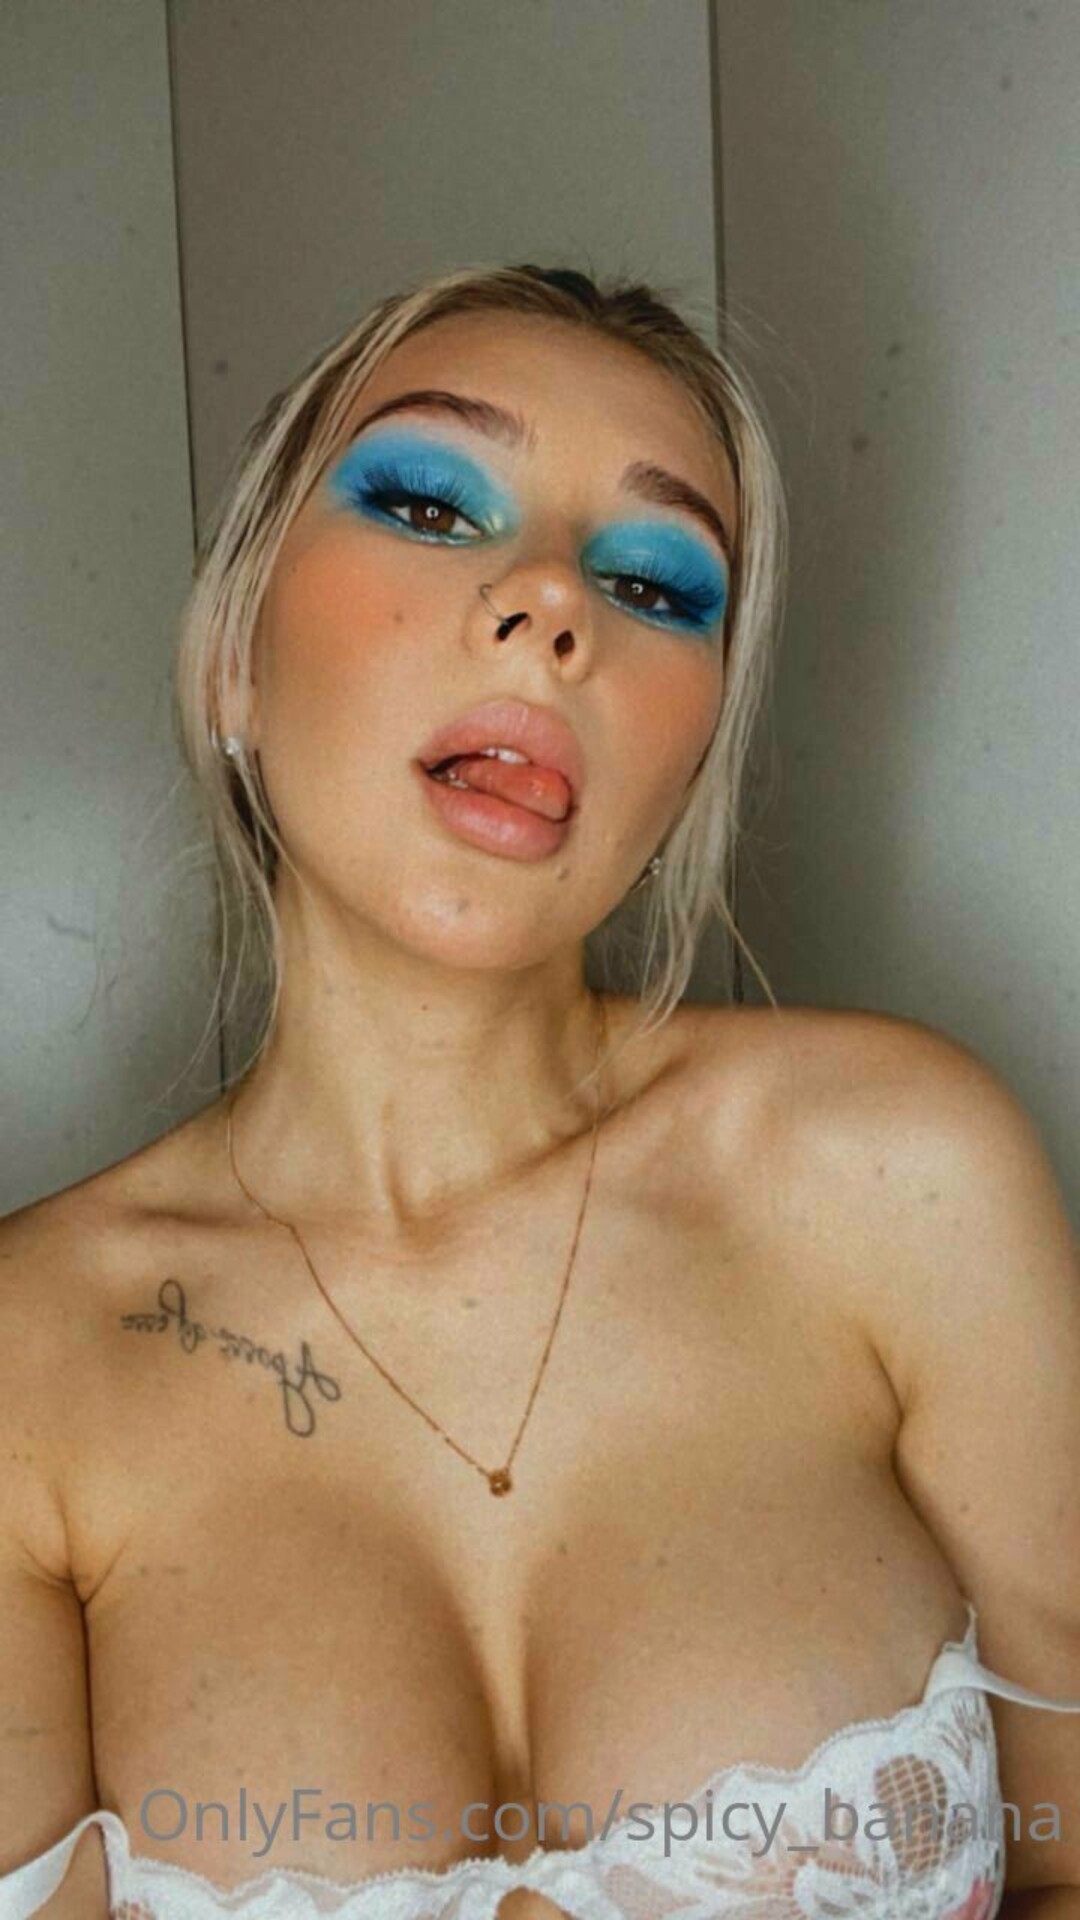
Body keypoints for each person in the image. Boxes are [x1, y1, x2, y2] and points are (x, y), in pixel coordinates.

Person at [1, 263, 1078, 1920]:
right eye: (431, 505)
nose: (556, 603)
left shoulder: (901, 1176)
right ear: (233, 662)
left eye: (656, 583)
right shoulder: (29, 1364)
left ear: (689, 756)